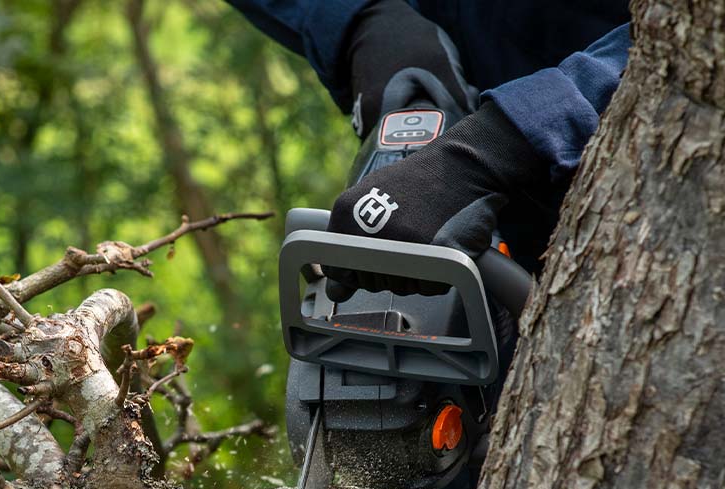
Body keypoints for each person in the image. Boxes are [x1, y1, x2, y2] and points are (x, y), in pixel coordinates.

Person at [226, 0, 631, 289]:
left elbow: (685, 44)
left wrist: (511, 136)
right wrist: (360, 19)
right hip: (446, 154)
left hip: (614, 221)